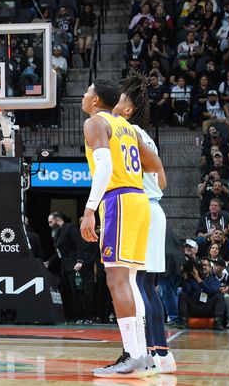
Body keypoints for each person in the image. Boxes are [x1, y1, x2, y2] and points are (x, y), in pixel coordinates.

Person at [80, 79, 165, 378]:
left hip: (118, 200)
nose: (85, 94)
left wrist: (89, 210)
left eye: (88, 91)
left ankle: (132, 356)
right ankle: (142, 357)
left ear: (95, 101)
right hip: (139, 200)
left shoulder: (95, 122)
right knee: (128, 279)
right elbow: (154, 163)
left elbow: (103, 168)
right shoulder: (127, 127)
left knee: (117, 280)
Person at [113, 74, 177, 373]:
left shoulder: (128, 132)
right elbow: (161, 177)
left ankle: (156, 353)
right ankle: (161, 353)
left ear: (128, 109)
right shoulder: (139, 132)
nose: (115, 103)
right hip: (151, 207)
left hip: (144, 209)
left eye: (121, 99)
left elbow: (159, 177)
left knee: (139, 284)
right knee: (146, 285)